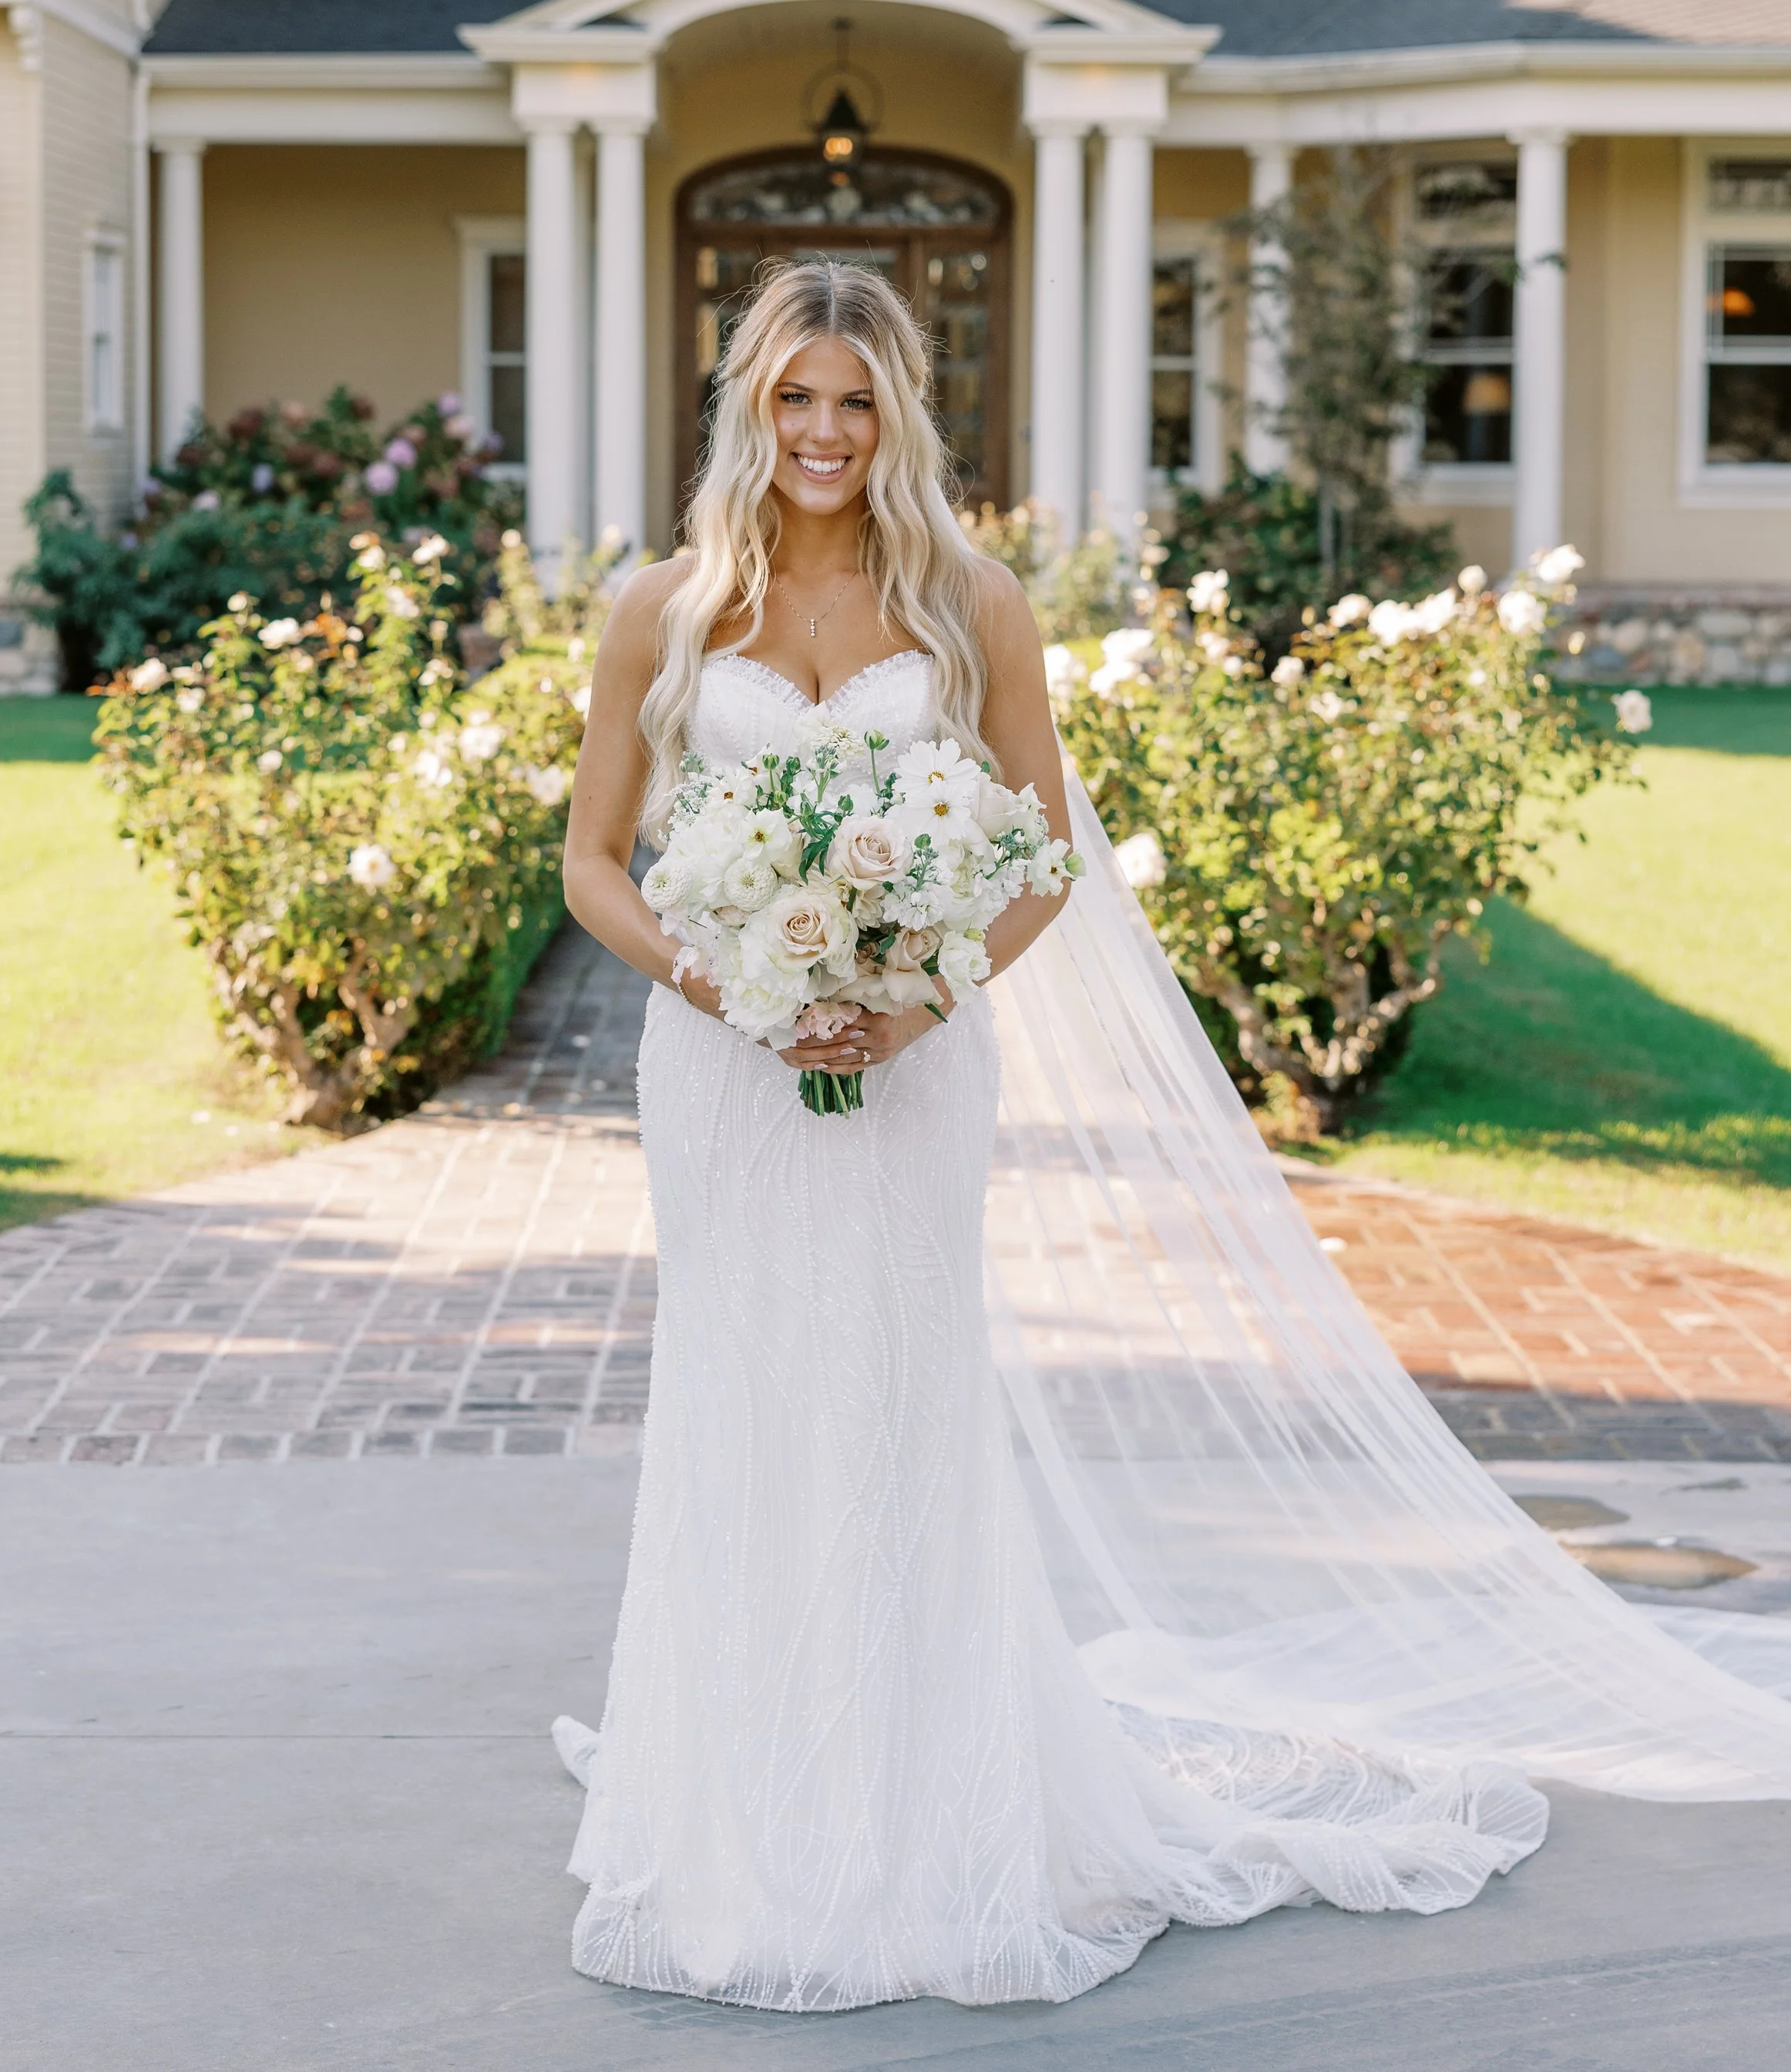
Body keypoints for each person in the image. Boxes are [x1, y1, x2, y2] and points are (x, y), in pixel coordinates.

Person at [556, 258, 1791, 2016]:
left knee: (899, 1406)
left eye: (855, 401)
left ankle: (920, 1815)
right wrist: (721, 981)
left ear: (898, 418)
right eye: (791, 397)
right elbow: (594, 859)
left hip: (909, 1066)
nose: (821, 432)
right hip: (723, 1071)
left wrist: (910, 1002)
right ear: (746, 405)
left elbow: (1042, 855)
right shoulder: (661, 610)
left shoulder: (968, 604)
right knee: (741, 1404)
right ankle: (746, 1810)